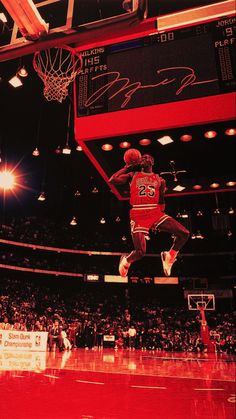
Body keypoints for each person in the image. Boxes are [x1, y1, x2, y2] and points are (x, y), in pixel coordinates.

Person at [109, 153, 189, 277]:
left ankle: (170, 256)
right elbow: (112, 180)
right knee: (140, 252)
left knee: (184, 233)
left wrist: (157, 220)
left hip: (154, 211)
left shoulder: (160, 180)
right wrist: (127, 167)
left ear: (152, 161)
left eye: (146, 157)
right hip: (139, 213)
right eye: (142, 158)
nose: (143, 159)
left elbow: (161, 200)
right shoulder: (133, 175)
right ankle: (126, 260)